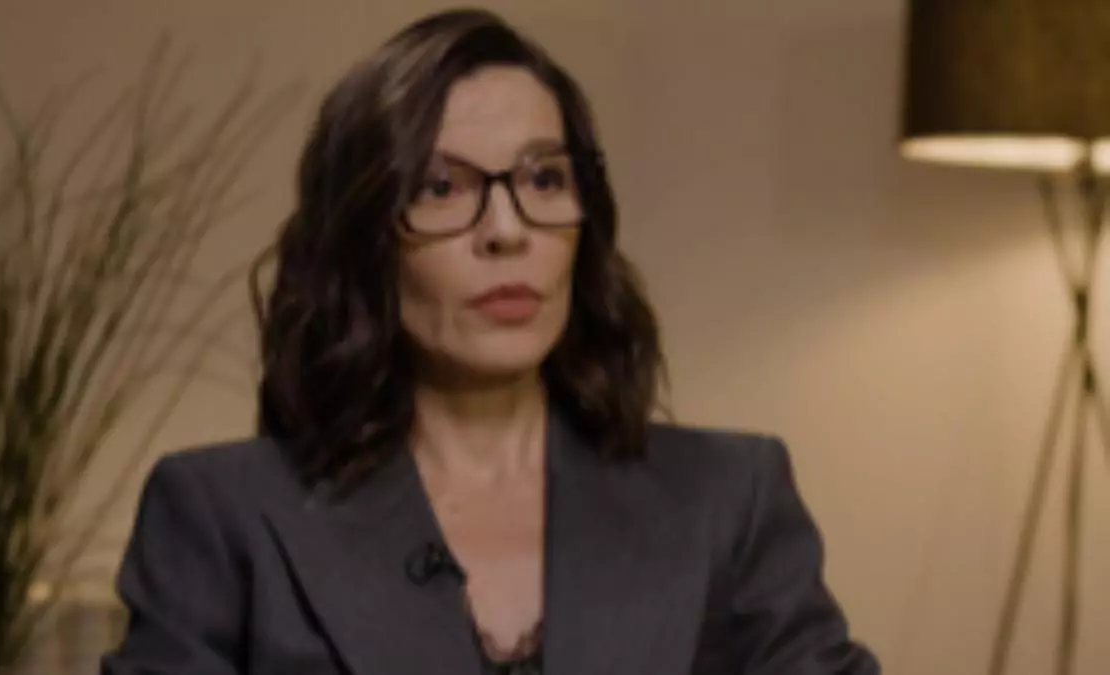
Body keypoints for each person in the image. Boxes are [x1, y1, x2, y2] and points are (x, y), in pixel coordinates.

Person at [101, 8, 880, 675]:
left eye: (544, 179)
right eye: (442, 187)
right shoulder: (220, 513)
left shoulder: (730, 499)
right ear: (364, 234)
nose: (507, 231)